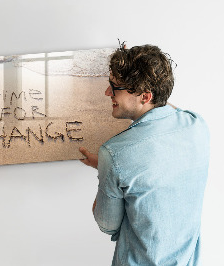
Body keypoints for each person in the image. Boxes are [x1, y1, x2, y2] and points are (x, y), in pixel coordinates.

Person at [79, 44, 210, 265]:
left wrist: (106, 169)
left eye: (115, 86)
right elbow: (165, 109)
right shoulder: (197, 125)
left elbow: (107, 225)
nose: (107, 92)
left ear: (145, 96)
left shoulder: (114, 153)